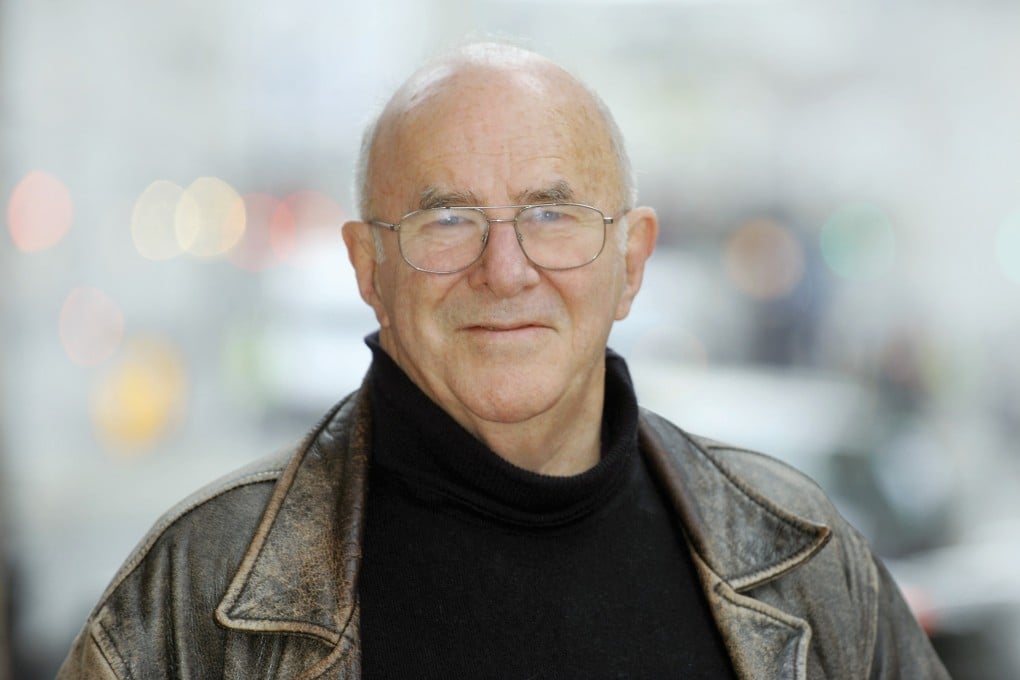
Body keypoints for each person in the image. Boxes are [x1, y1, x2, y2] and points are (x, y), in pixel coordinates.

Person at [57, 42, 949, 679]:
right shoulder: (194, 595)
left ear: (631, 262)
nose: (505, 269)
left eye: (552, 214)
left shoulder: (804, 559)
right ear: (369, 266)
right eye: (446, 218)